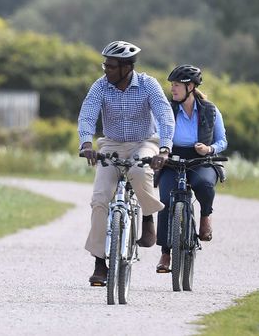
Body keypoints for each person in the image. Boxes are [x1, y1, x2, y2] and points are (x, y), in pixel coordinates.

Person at [78, 40, 175, 286]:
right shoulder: (100, 86)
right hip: (111, 144)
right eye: (105, 65)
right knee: (100, 198)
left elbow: (165, 116)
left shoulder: (147, 84)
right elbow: (87, 113)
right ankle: (100, 263)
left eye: (111, 66)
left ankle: (148, 218)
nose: (106, 70)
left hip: (144, 141)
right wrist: (86, 144)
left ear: (127, 68)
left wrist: (164, 149)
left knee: (139, 172)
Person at [155, 64, 227, 273]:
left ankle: (205, 216)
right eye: (172, 85)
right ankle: (165, 253)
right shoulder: (168, 110)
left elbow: (222, 140)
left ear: (191, 87)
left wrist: (209, 148)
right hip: (173, 159)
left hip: (201, 159)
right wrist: (161, 151)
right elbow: (158, 132)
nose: (172, 89)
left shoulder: (210, 110)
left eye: (177, 85)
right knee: (166, 201)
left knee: (204, 184)